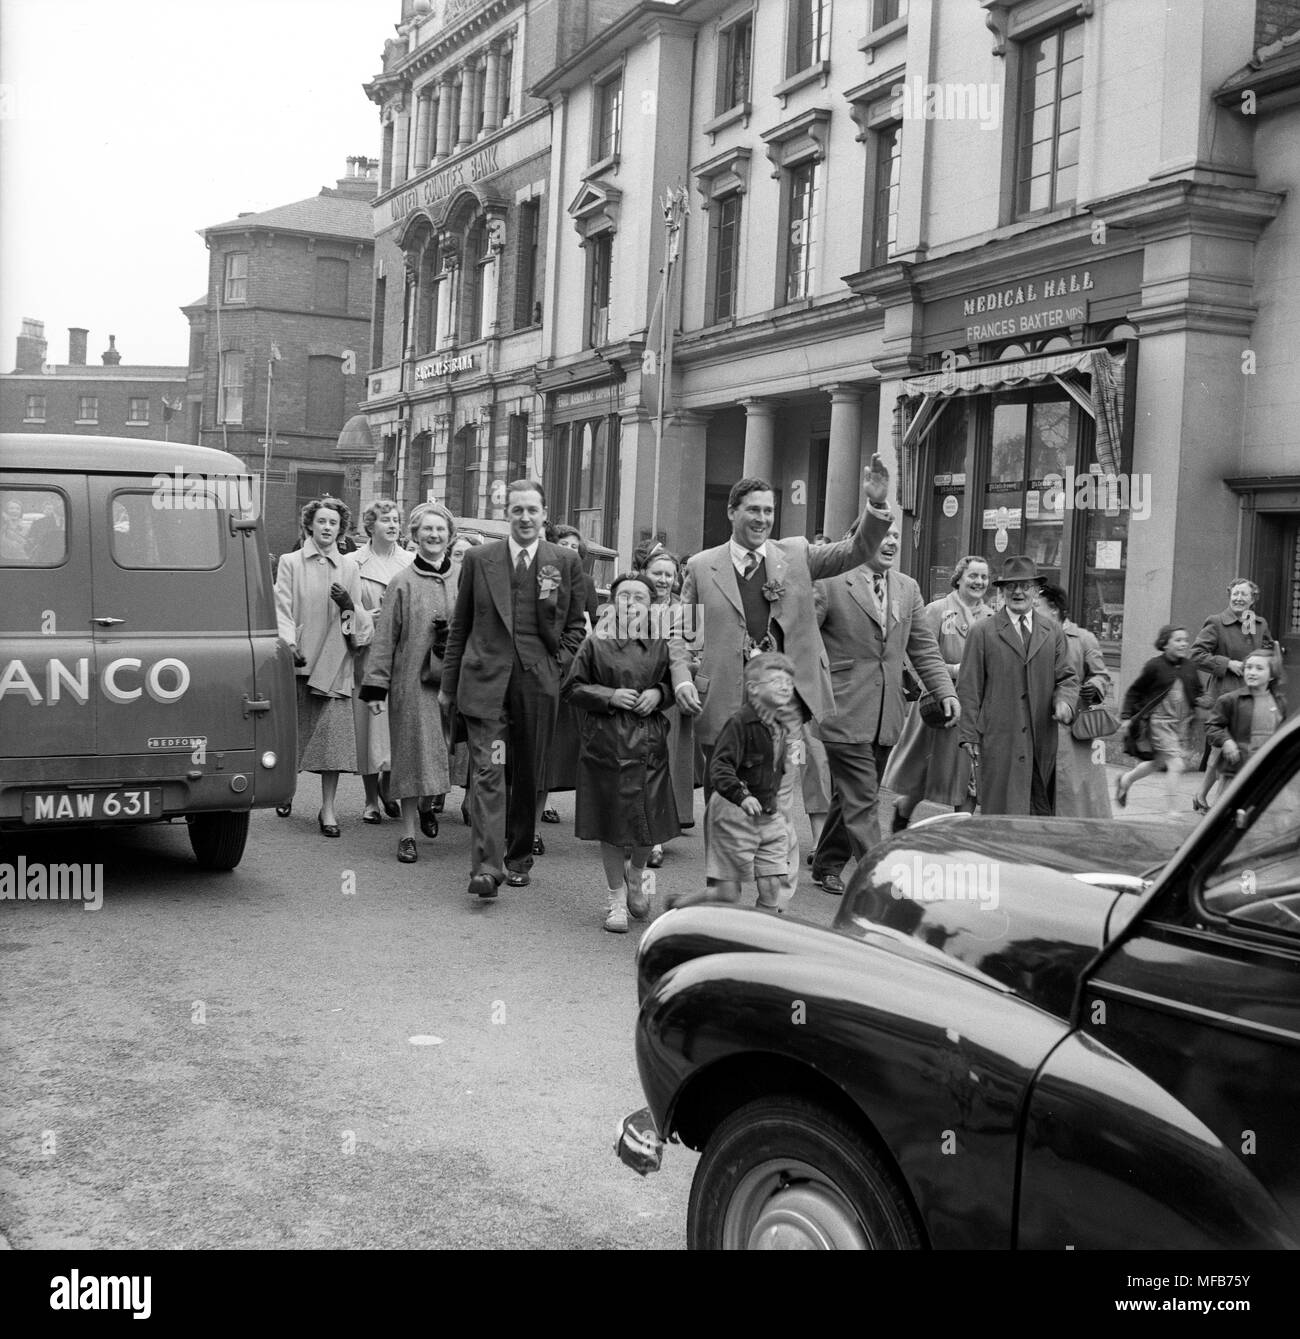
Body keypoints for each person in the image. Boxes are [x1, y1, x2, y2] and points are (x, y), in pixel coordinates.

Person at [669, 456, 896, 903]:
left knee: (777, 799)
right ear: (732, 512)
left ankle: (769, 899)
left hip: (785, 708)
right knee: (725, 801)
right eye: (753, 510)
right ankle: (726, 889)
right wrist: (681, 678)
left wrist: (876, 505)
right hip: (724, 708)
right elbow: (680, 631)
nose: (762, 519)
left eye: (769, 511)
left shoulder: (794, 555)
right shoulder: (700, 566)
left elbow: (854, 551)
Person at [439, 478, 588, 899]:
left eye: (532, 511)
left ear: (544, 516)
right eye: (517, 510)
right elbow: (460, 627)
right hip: (485, 685)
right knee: (489, 772)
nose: (525, 517)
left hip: (537, 684)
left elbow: (576, 626)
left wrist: (555, 667)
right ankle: (487, 868)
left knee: (526, 772)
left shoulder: (564, 561)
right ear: (507, 515)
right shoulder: (478, 559)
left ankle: (519, 854)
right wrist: (449, 685)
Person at [810, 517, 957, 894]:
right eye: (884, 535)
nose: (892, 542)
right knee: (862, 794)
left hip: (886, 711)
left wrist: (946, 692)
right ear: (860, 539)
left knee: (857, 791)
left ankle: (826, 862)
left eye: (896, 536)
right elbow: (803, 641)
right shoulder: (830, 583)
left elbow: (923, 647)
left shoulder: (907, 588)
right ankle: (881, 880)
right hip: (841, 706)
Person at [562, 572, 681, 933]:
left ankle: (637, 873)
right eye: (624, 596)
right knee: (611, 825)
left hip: (649, 744)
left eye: (640, 597)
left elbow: (679, 680)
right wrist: (608, 696)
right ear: (613, 604)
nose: (631, 603)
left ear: (652, 605)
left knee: (648, 821)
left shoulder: (663, 642)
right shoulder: (595, 642)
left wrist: (660, 693)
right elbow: (573, 687)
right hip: (607, 743)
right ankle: (615, 898)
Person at [359, 502, 458, 862]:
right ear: (414, 536)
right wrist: (375, 687)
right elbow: (385, 639)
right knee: (413, 755)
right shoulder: (402, 583)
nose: (434, 535)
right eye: (427, 530)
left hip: (456, 683)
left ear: (450, 536)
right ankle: (408, 833)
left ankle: (431, 803)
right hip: (412, 684)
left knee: (448, 751)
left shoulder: (463, 577)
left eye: (440, 530)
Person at [667, 653, 801, 912]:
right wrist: (743, 795)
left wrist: (778, 809)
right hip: (732, 812)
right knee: (726, 894)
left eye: (789, 681)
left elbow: (776, 773)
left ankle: (758, 941)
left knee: (773, 887)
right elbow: (719, 768)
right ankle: (679, 907)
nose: (785, 686)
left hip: (768, 814)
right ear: (753, 689)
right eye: (776, 681)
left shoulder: (782, 725)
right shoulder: (738, 724)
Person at [273, 496, 373, 834]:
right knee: (293, 737)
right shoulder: (289, 562)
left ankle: (328, 810)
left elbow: (359, 621)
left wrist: (349, 606)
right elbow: (281, 609)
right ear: (310, 526)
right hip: (300, 663)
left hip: (334, 666)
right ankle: (286, 788)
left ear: (340, 529)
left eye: (333, 523)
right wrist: (289, 644)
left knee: (332, 744)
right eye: (322, 522)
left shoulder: (350, 567)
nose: (327, 527)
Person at [957, 555, 1077, 816]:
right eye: (1011, 586)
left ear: (1036, 591)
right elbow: (969, 688)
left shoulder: (1052, 632)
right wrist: (969, 735)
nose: (1018, 592)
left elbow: (1067, 677)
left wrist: (1065, 701)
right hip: (1001, 739)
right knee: (1001, 810)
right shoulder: (983, 632)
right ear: (1001, 591)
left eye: (1025, 586)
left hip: (1041, 738)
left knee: (1039, 811)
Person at [883, 555, 992, 830]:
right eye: (973, 576)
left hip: (976, 709)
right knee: (924, 773)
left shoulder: (992, 617)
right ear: (959, 578)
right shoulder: (936, 610)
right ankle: (903, 812)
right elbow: (917, 656)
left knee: (969, 776)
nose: (979, 582)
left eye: (984, 577)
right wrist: (953, 673)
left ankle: (960, 836)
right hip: (938, 707)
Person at [535, 523, 600, 843]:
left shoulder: (586, 582)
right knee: (540, 740)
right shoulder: (546, 576)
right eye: (564, 544)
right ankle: (531, 806)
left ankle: (546, 799)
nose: (570, 550)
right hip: (543, 661)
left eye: (576, 546)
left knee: (561, 742)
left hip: (573, 665)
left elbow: (591, 624)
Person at [1191, 579, 1278, 813]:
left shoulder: (1258, 624)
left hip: (1253, 694)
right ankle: (1220, 807)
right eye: (1235, 593)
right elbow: (1196, 655)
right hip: (1226, 693)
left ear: (1253, 599)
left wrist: (1269, 657)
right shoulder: (1217, 622)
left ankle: (1201, 797)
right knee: (1224, 748)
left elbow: (1267, 650)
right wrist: (1227, 663)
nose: (1239, 598)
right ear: (1229, 595)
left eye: (1244, 595)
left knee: (1229, 750)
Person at [352, 500, 414, 824]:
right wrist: (365, 616)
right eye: (385, 520)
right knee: (368, 725)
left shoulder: (411, 561)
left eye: (396, 520)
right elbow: (344, 611)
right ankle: (370, 799)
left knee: (396, 725)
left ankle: (389, 784)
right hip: (368, 651)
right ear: (370, 526)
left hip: (402, 653)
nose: (392, 525)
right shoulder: (354, 562)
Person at [636, 546, 696, 867]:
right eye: (657, 573)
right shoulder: (631, 604)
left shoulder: (686, 610)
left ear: (677, 578)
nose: (663, 579)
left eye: (669, 574)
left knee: (665, 768)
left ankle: (657, 837)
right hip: (637, 694)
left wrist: (682, 674)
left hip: (672, 697)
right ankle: (636, 829)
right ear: (645, 573)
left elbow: (696, 655)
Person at [1039, 583, 1113, 818]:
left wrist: (1094, 686)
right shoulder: (1031, 637)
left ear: (1054, 609)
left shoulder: (1083, 638)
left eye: (1036, 605)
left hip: (1073, 728)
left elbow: (1101, 675)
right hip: (1039, 724)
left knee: (1074, 790)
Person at [1116, 625, 1207, 813]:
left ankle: (1126, 780)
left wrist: (1203, 701)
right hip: (1159, 723)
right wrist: (1126, 717)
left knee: (1157, 763)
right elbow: (1135, 691)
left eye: (1185, 640)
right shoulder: (1154, 666)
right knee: (1176, 764)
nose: (1183, 644)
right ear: (1165, 644)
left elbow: (1198, 691)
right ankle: (1172, 810)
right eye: (1178, 640)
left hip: (1180, 726)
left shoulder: (1189, 666)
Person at [1205, 650, 1286, 786]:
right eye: (1248, 667)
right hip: (1236, 769)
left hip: (1266, 769)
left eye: (1259, 668)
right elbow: (1212, 726)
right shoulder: (1230, 700)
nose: (1252, 672)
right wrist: (1226, 741)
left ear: (1272, 675)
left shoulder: (1279, 701)